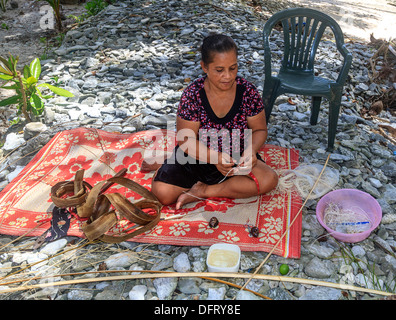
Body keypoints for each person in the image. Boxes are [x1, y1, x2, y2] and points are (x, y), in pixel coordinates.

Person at [150, 34, 278, 209]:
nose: (227, 76)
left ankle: (205, 191)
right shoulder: (193, 95)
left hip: (235, 154)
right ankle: (171, 168)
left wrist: (251, 151)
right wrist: (214, 157)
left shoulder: (248, 92)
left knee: (269, 180)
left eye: (233, 68)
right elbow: (185, 140)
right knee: (161, 193)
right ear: (204, 67)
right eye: (219, 70)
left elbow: (259, 130)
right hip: (198, 154)